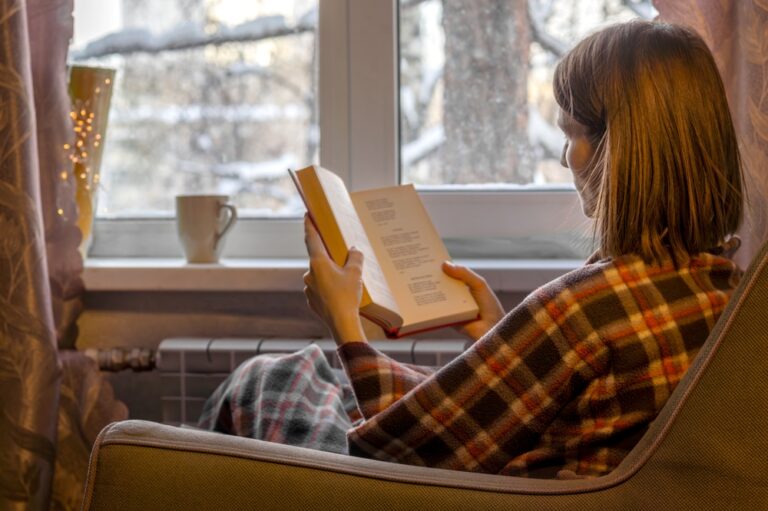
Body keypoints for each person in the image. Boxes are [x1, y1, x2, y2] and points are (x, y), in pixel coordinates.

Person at [200, 20, 743, 479]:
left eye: (572, 134)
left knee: (267, 380)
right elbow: (555, 408)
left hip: (451, 489)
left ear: (620, 151)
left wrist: (344, 321)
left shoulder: (585, 310)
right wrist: (496, 334)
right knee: (315, 371)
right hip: (532, 466)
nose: (564, 159)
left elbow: (398, 451)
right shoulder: (724, 290)